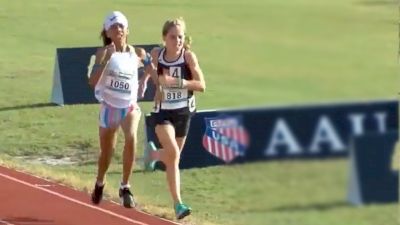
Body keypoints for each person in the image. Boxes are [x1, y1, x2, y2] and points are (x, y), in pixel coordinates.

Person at [88, 11, 152, 208]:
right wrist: (105, 61)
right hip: (109, 107)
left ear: (127, 30)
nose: (118, 29)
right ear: (107, 32)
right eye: (114, 26)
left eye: (121, 26)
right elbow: (92, 82)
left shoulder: (137, 53)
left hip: (128, 106)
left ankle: (125, 186)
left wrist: (144, 80)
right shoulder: (103, 53)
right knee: (107, 152)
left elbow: (152, 64)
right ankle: (100, 182)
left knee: (131, 137)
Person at [145, 17, 206, 219]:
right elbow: (151, 71)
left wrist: (176, 82)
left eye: (180, 37)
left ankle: (153, 156)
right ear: (164, 38)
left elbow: (201, 85)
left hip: (183, 113)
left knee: (173, 157)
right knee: (173, 154)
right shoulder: (157, 54)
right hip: (163, 112)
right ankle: (178, 204)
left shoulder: (188, 57)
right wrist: (145, 81)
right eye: (173, 37)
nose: (177, 40)